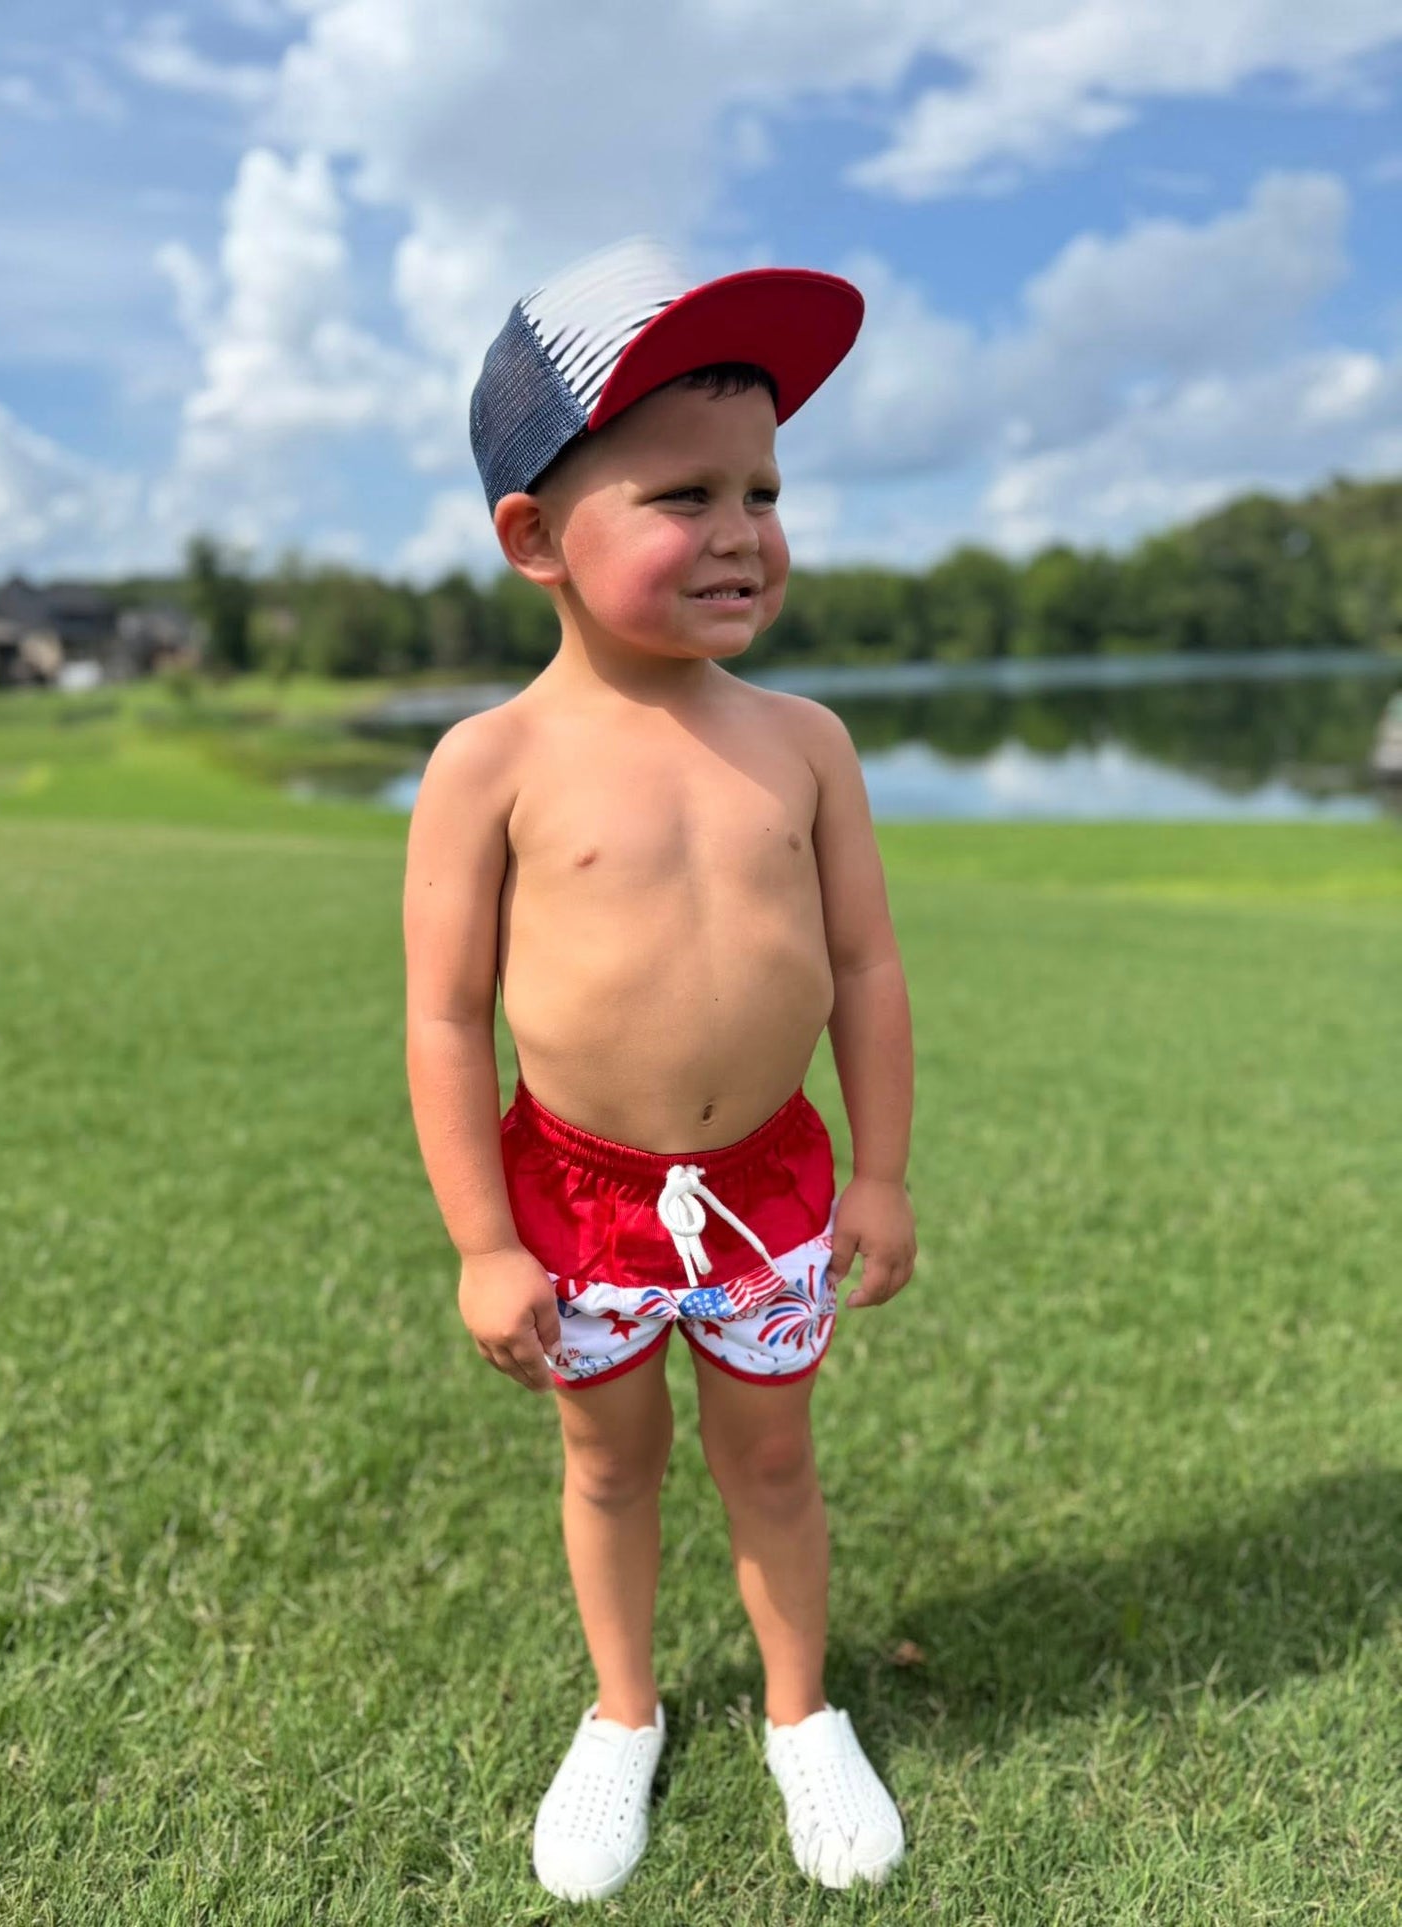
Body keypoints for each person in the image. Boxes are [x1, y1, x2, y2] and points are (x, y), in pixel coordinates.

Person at [403, 237, 916, 1902]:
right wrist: (487, 1243)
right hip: (575, 1201)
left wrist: (885, 1172)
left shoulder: (807, 741)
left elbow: (862, 968)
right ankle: (623, 1717)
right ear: (535, 538)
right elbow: (444, 1017)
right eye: (681, 494)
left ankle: (795, 1715)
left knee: (771, 1457)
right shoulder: (490, 763)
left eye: (760, 489)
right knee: (608, 1459)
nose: (739, 531)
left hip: (770, 1187)